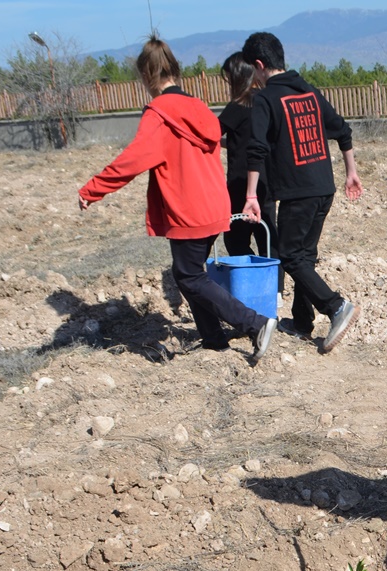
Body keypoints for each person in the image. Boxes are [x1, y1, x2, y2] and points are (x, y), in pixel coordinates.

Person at [78, 35, 276, 362]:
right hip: (215, 203)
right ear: (176, 70)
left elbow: (132, 160)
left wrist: (92, 189)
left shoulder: (160, 114)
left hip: (188, 209)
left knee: (188, 275)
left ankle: (254, 323)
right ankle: (213, 339)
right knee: (188, 272)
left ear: (146, 76)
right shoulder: (198, 107)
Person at [240, 31, 362, 353]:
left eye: (252, 71)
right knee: (305, 256)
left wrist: (251, 196)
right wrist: (351, 172)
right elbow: (342, 129)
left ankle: (336, 307)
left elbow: (256, 151)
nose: (253, 78)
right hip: (325, 188)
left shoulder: (266, 99)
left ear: (259, 65)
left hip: (298, 193)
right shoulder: (308, 91)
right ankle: (302, 321)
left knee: (291, 256)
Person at [218, 52, 279, 275]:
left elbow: (212, 132)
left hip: (240, 182)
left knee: (235, 239)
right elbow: (249, 138)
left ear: (238, 78)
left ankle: (247, 278)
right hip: (265, 181)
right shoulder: (265, 102)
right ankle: (274, 288)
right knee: (268, 237)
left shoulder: (238, 105)